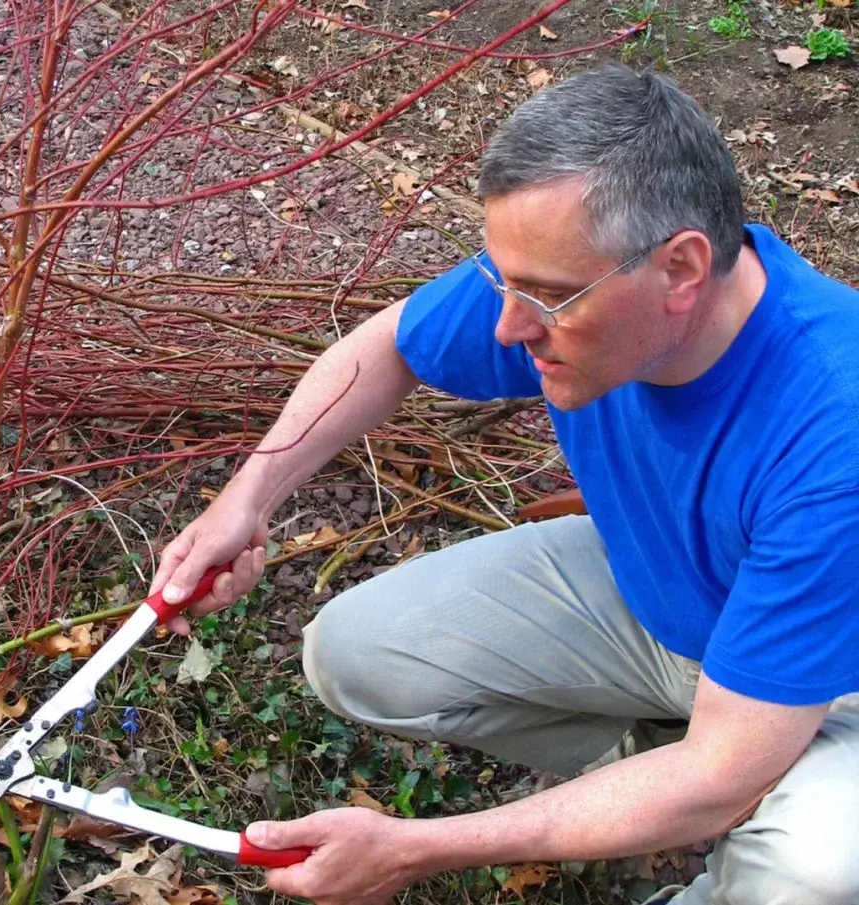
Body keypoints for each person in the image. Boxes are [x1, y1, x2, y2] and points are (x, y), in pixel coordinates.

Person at [147, 64, 859, 905]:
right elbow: (388, 347)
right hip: (670, 592)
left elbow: (716, 771)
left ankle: (732, 849)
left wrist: (414, 847)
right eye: (502, 280)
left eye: (548, 297)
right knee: (360, 655)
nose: (508, 327)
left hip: (828, 684)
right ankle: (638, 783)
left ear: (682, 270)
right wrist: (246, 500)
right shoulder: (584, 281)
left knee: (815, 871)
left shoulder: (832, 429)